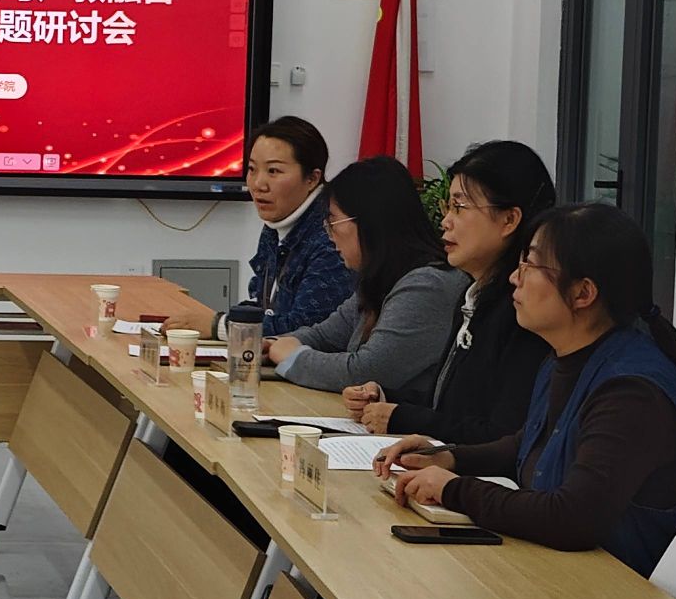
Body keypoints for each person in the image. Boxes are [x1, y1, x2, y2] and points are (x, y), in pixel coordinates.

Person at [376, 204, 676, 576]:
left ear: (583, 293)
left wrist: (453, 489)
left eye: (531, 265)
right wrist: (447, 457)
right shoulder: (566, 358)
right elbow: (531, 444)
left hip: (635, 595)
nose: (514, 277)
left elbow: (572, 518)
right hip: (574, 574)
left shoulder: (631, 392)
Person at [342, 140, 555, 445]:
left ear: (509, 220)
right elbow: (448, 404)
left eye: (460, 207)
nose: (445, 222)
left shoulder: (524, 310)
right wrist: (384, 397)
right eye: (447, 207)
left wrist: (401, 417)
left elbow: (502, 435)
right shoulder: (474, 293)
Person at [263, 155, 466, 404]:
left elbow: (365, 371)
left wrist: (293, 357)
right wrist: (271, 346)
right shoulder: (381, 278)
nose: (329, 235)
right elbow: (325, 336)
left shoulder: (428, 286)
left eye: (333, 222)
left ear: (369, 222)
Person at [163, 117, 354, 339]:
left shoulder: (331, 235)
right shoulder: (276, 225)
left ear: (312, 178)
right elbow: (265, 306)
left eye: (273, 171)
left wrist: (219, 326)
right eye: (252, 169)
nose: (258, 184)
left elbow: (307, 328)